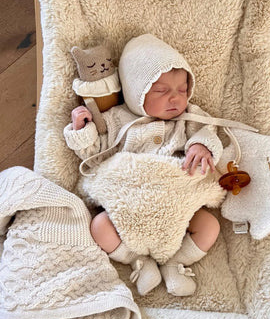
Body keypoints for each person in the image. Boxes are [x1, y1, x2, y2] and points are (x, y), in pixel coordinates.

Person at [64, 34, 223, 297]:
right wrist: (82, 129)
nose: (175, 99)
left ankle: (176, 261)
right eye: (162, 91)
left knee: (209, 226)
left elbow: (209, 132)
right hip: (130, 204)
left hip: (176, 205)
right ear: (136, 90)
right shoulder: (117, 119)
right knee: (100, 226)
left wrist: (200, 146)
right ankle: (137, 260)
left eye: (182, 90)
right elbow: (93, 154)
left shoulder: (186, 119)